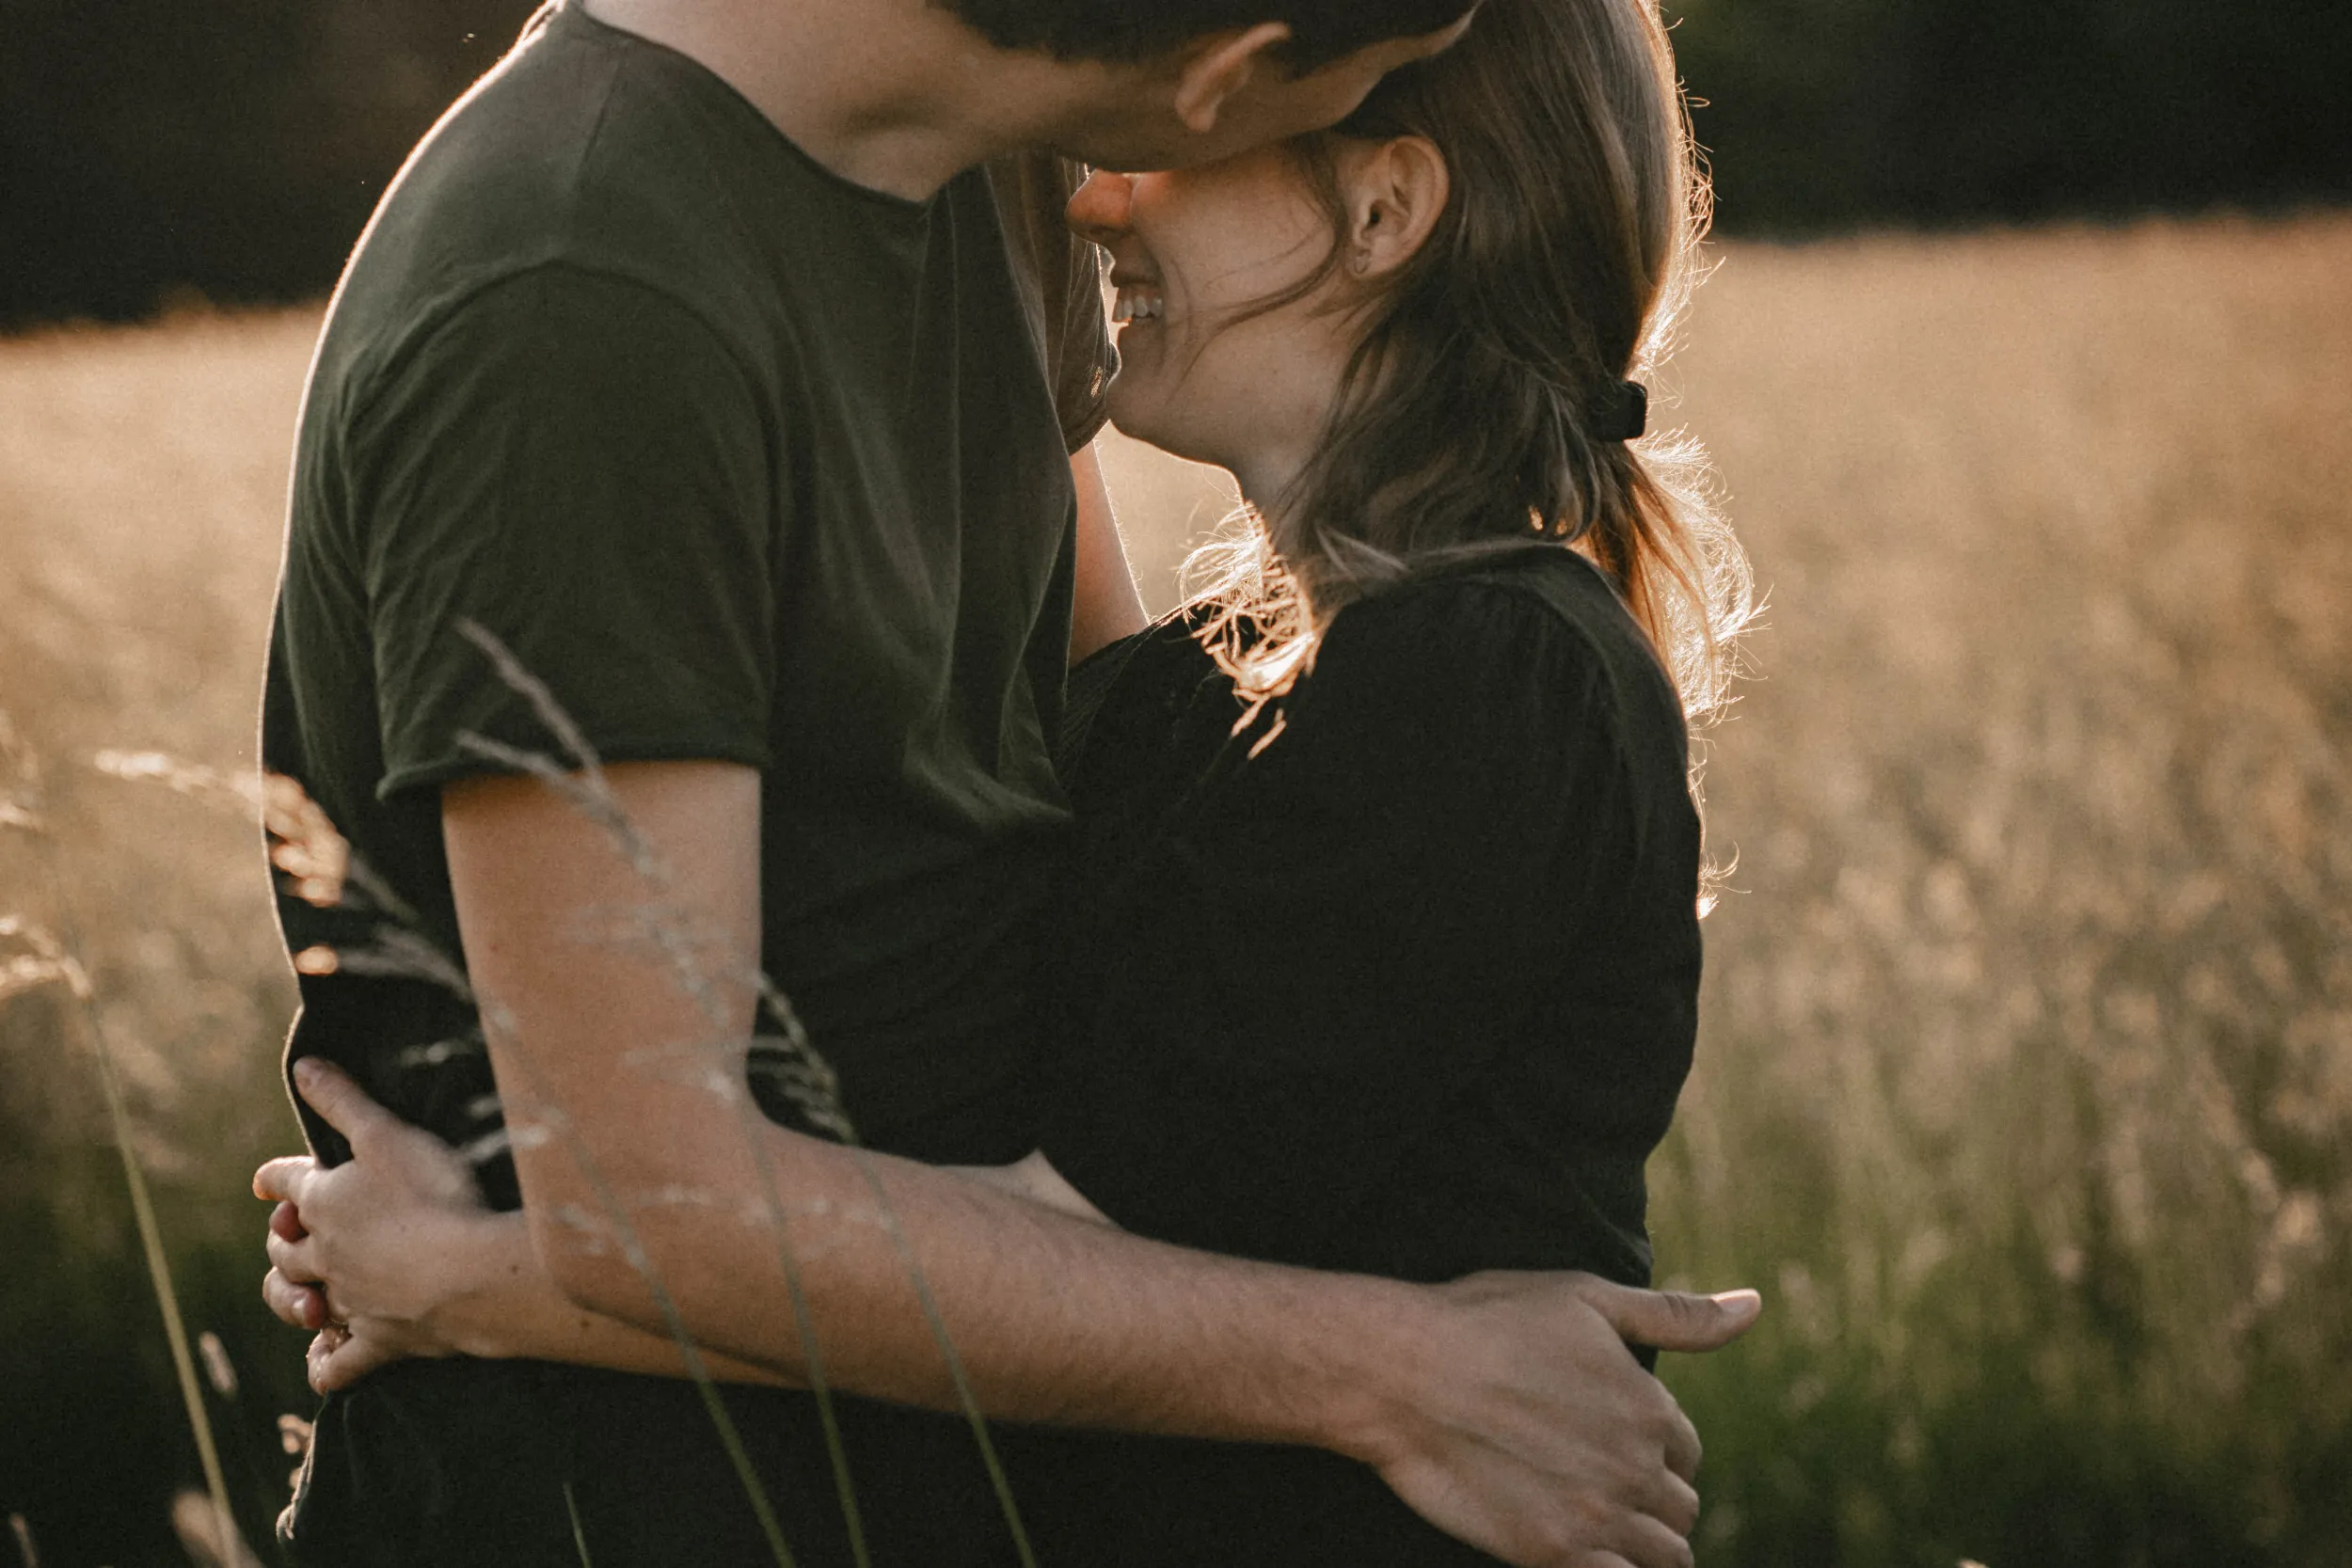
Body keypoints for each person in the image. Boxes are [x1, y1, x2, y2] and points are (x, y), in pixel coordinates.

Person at [252, 0, 1757, 1563]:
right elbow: (682, 1196)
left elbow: (1080, 1216)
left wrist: (461, 1273)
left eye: (1238, 138)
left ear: (1384, 208)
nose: (1103, 192)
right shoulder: (1232, 685)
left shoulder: (1464, 683)